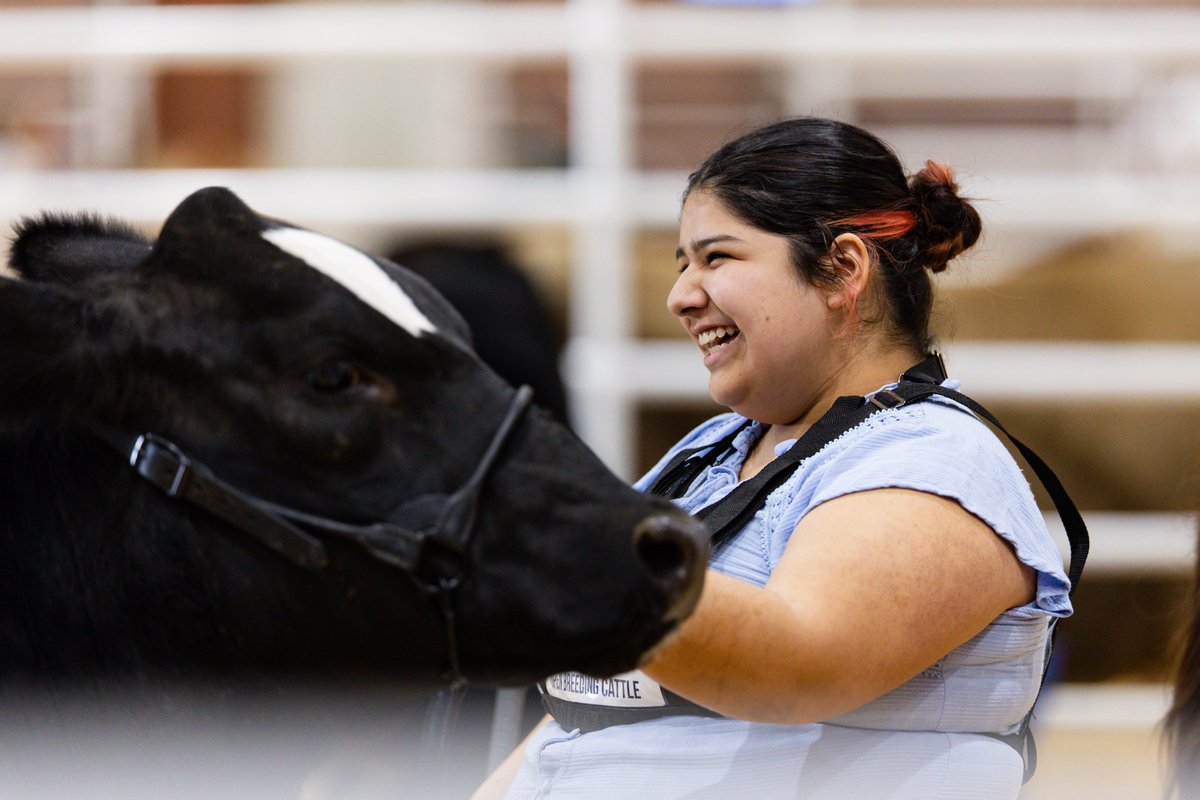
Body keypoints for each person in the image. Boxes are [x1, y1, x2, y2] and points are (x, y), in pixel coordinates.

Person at [474, 116, 1074, 800]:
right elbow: (582, 717)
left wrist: (550, 537)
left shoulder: (937, 462)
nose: (680, 296)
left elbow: (796, 665)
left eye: (716, 258)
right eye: (682, 264)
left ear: (843, 269)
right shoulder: (710, 450)